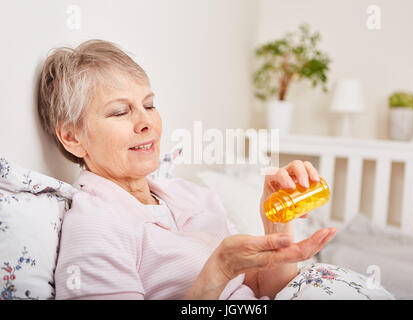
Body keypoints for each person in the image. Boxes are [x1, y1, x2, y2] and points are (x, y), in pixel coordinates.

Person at [37, 39, 337, 300]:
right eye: (120, 111)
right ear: (72, 138)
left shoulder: (190, 195)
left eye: (149, 105)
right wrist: (218, 271)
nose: (147, 123)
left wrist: (276, 219)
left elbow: (266, 290)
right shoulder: (95, 225)